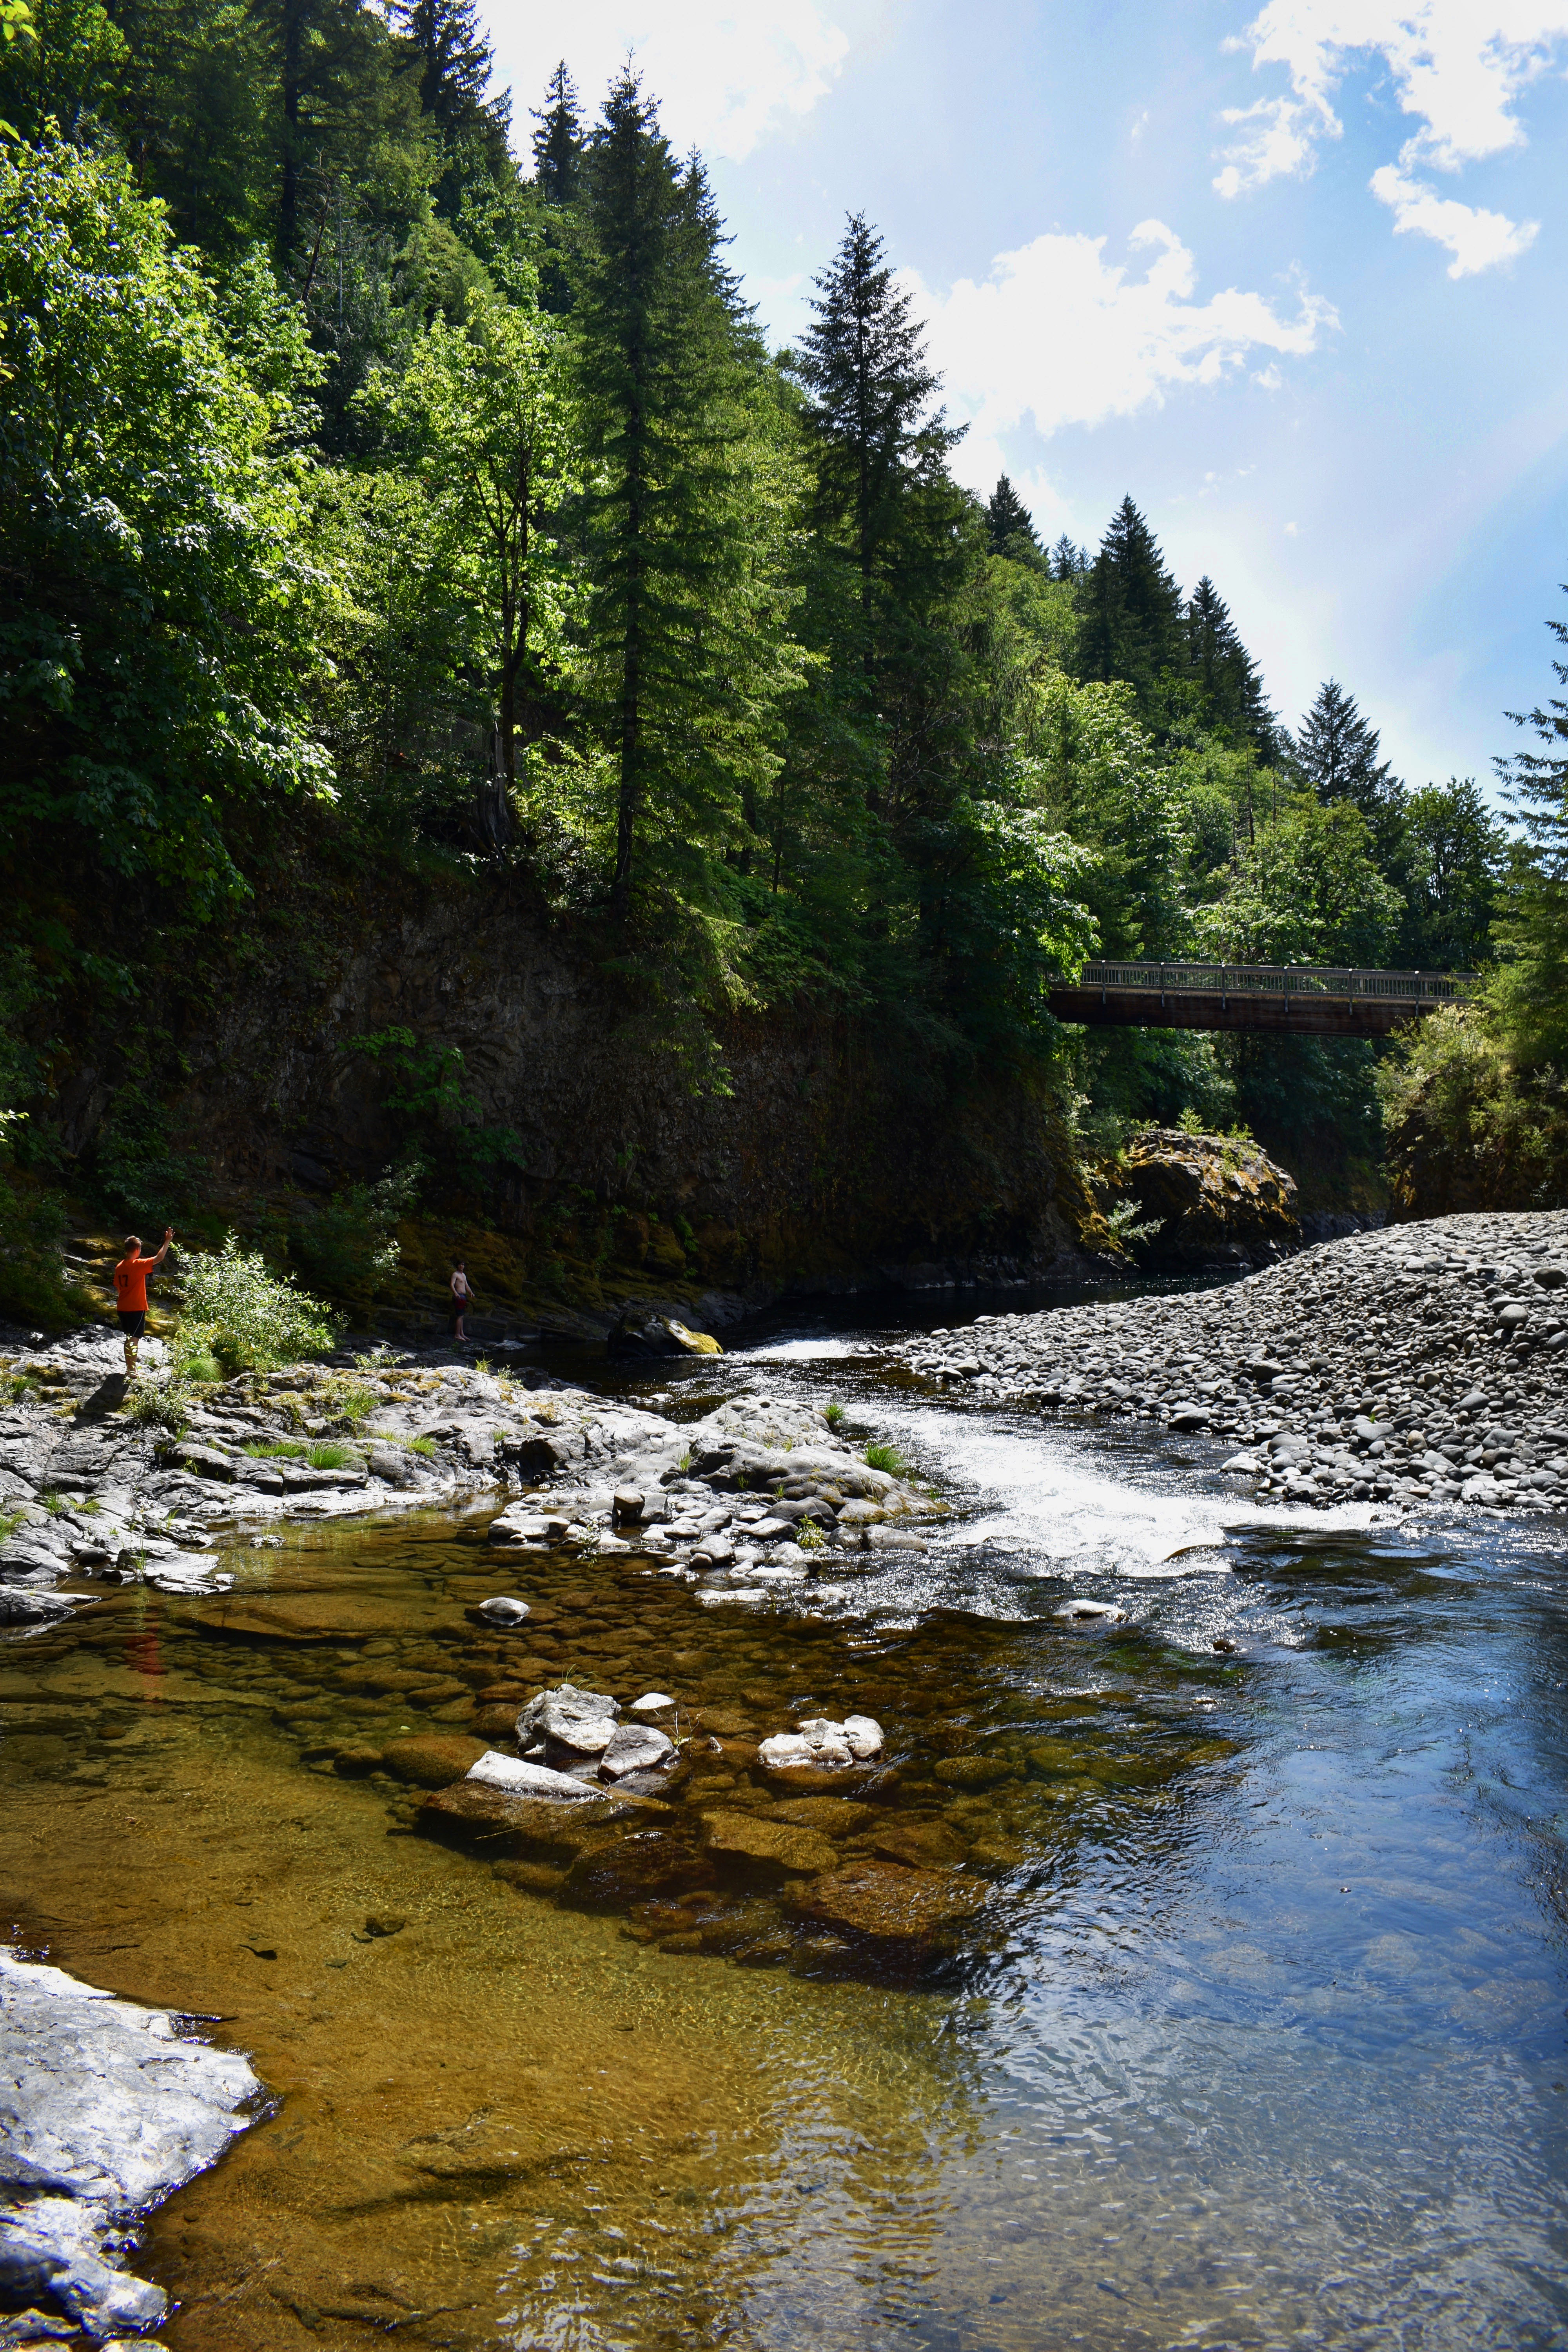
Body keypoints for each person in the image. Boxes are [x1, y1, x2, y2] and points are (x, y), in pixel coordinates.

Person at [113, 1227, 173, 1377]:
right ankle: (131, 1371)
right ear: (138, 1249)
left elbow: (119, 1288)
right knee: (134, 1339)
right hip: (136, 1308)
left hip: (123, 1307)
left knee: (129, 1337)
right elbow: (159, 1258)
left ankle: (129, 1368)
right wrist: (167, 1242)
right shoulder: (138, 1265)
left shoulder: (120, 1266)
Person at [450, 1259, 474, 1346]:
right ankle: (457, 1335)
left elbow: (466, 1285)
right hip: (459, 1296)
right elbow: (452, 1284)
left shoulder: (464, 1275)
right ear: (457, 1266)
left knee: (462, 1316)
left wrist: (471, 1292)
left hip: (463, 1296)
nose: (461, 1266)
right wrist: (456, 1293)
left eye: (463, 1265)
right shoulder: (455, 1274)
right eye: (460, 1264)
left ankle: (462, 1334)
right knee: (460, 1316)